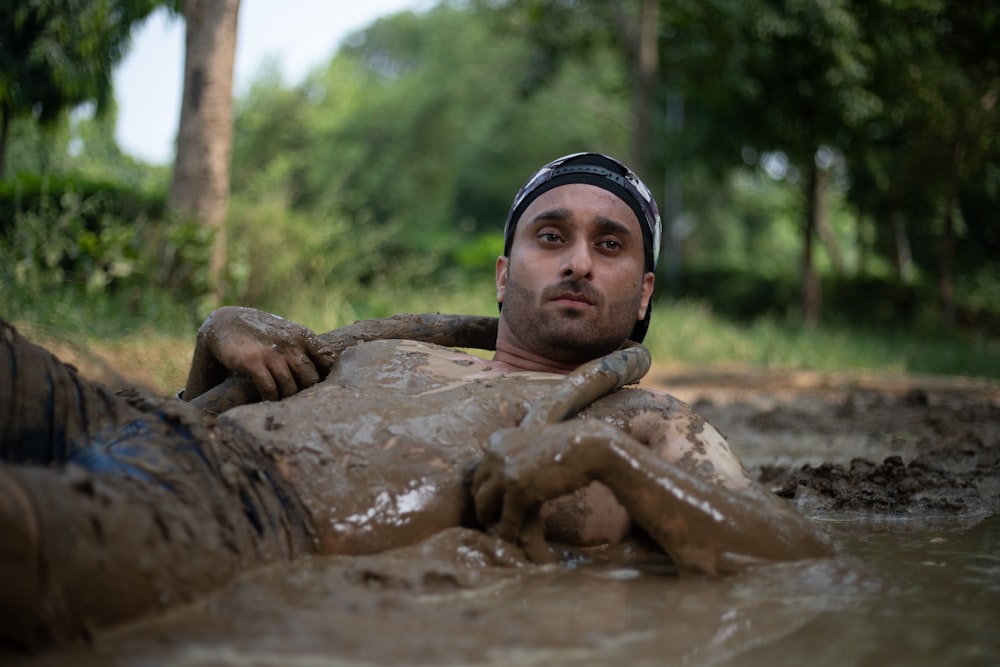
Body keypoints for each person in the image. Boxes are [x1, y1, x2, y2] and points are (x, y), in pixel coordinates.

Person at [0, 153, 832, 651]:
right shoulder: (391, 347)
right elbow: (193, 414)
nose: (579, 260)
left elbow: (792, 552)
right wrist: (215, 334)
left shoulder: (644, 423)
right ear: (506, 274)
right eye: (552, 236)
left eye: (608, 245)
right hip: (146, 429)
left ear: (643, 293)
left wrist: (599, 456)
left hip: (253, 514)